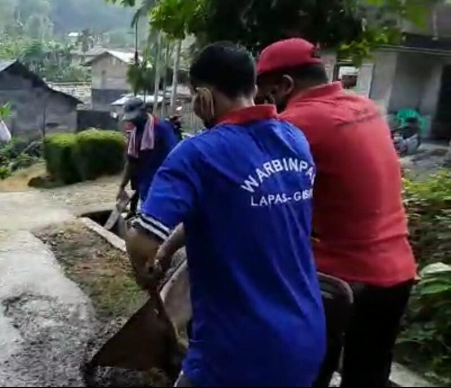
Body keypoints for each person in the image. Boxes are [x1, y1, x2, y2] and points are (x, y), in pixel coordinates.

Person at [125, 42, 326, 387]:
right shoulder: (295, 139)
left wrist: (144, 268)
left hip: (236, 351)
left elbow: (141, 242)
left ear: (203, 93)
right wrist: (171, 249)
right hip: (305, 337)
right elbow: (232, 202)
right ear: (251, 84)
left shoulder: (197, 155)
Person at [255, 38, 417, 387]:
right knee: (368, 374)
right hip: (398, 270)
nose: (266, 105)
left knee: (306, 373)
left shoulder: (297, 123)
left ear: (284, 85)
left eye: (266, 94)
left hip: (342, 280)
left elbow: (251, 193)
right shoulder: (366, 106)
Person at [116, 97, 178, 212]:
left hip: (163, 187)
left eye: (135, 117)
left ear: (144, 111)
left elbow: (175, 156)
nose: (133, 121)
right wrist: (122, 186)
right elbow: (131, 162)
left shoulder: (162, 129)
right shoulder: (135, 134)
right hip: (145, 186)